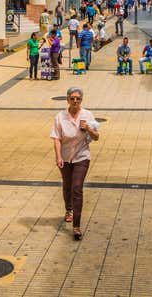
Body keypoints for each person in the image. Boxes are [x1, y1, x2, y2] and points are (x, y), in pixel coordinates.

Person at [51, 87, 100, 240]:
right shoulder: (60, 117)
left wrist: (89, 129)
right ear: (67, 99)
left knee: (77, 188)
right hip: (65, 157)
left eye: (78, 98)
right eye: (72, 98)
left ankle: (76, 226)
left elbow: (96, 137)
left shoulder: (87, 115)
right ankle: (69, 209)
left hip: (82, 157)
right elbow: (56, 138)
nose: (75, 101)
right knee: (67, 186)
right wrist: (58, 157)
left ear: (81, 100)